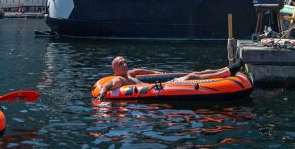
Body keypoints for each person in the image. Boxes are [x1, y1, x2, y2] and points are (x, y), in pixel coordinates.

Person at [96, 55, 245, 99]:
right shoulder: (120, 79)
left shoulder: (130, 73)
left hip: (161, 83)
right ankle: (227, 73)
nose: (124, 64)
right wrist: (104, 91)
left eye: (124, 61)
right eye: (120, 63)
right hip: (161, 89)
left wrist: (159, 74)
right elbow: (112, 85)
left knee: (200, 72)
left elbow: (146, 71)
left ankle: (225, 70)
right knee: (193, 76)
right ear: (115, 69)